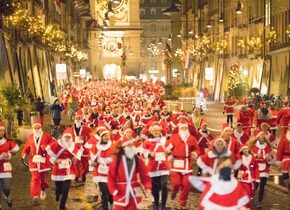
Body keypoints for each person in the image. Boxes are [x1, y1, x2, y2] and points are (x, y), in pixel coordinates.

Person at [107, 136, 152, 210]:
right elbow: (111, 176)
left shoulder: (137, 159)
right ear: (124, 148)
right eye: (129, 145)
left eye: (132, 145)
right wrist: (113, 189)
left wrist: (147, 186)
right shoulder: (117, 160)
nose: (131, 147)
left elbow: (144, 174)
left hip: (134, 189)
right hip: (120, 191)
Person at [165, 120, 201, 209]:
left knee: (186, 184)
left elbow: (197, 149)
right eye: (182, 128)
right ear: (179, 129)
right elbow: (168, 147)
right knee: (176, 183)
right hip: (176, 162)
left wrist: (195, 153)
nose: (184, 129)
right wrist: (168, 152)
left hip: (187, 164)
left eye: (185, 128)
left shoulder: (192, 138)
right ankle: (174, 190)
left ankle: (182, 202)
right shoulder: (174, 137)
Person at [45, 131, 83, 210]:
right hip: (58, 169)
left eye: (68, 137)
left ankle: (62, 206)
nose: (67, 138)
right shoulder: (56, 144)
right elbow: (49, 154)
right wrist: (55, 160)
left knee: (66, 189)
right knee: (58, 187)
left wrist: (74, 158)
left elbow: (76, 154)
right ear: (63, 137)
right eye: (66, 137)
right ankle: (58, 193)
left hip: (68, 170)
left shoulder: (72, 146)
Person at [21, 121, 54, 205]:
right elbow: (26, 147)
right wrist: (24, 154)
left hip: (43, 160)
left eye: (38, 128)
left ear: (41, 128)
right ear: (33, 129)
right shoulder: (30, 137)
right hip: (33, 160)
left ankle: (42, 189)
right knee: (35, 177)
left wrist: (46, 147)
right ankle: (35, 196)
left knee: (42, 178)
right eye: (35, 128)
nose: (37, 129)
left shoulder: (47, 136)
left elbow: (53, 144)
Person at [143, 124, 169, 210]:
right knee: (155, 187)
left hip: (163, 167)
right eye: (155, 131)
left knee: (164, 185)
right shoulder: (147, 142)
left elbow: (170, 151)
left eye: (158, 130)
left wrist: (167, 151)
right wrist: (150, 154)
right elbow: (144, 154)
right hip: (153, 167)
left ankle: (163, 205)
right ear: (151, 132)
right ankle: (156, 204)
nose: (156, 132)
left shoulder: (164, 141)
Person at [64, 112, 92, 185]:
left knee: (84, 164)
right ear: (74, 119)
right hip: (74, 150)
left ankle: (82, 177)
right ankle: (76, 177)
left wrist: (85, 139)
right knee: (75, 164)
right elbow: (65, 139)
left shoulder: (88, 129)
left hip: (84, 149)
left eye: (79, 118)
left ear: (82, 119)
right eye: (76, 118)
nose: (78, 120)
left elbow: (91, 139)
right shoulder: (69, 130)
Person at [89, 129, 114, 210]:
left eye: (108, 136)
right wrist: (92, 163)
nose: (107, 137)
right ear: (102, 137)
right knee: (104, 191)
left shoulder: (113, 146)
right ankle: (105, 208)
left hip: (110, 172)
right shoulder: (96, 147)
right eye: (105, 136)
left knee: (110, 192)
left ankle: (111, 204)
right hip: (99, 172)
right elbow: (91, 157)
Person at [248, 132, 273, 208]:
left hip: (264, 168)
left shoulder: (268, 146)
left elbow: (271, 156)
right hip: (255, 168)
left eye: (264, 135)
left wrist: (269, 158)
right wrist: (255, 156)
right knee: (255, 185)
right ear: (258, 136)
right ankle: (251, 198)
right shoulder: (252, 146)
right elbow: (248, 156)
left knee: (262, 186)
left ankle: (260, 201)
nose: (263, 136)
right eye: (261, 134)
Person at [0, 121, 19, 209]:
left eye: (2, 131)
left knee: (6, 187)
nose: (1, 132)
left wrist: (8, 154)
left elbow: (15, 149)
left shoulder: (7, 142)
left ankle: (8, 195)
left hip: (5, 168)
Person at [276, 123, 290, 198]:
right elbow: (280, 150)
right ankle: (288, 188)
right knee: (285, 175)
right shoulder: (284, 137)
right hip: (286, 156)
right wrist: (279, 162)